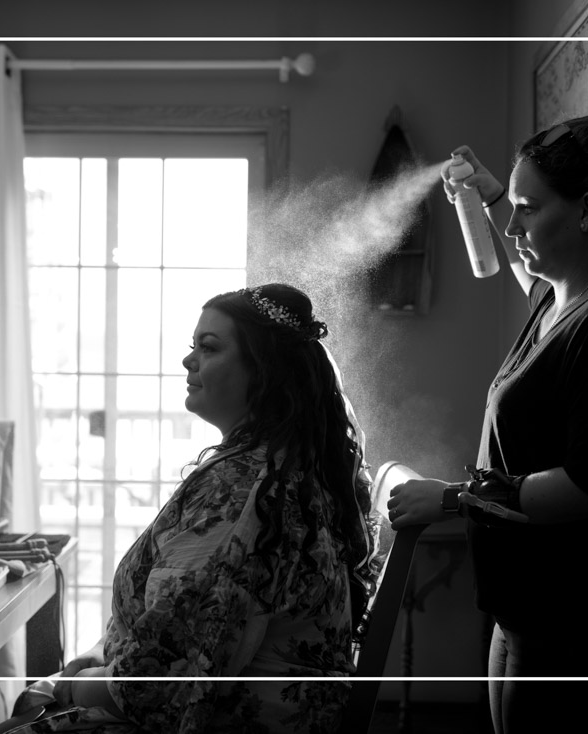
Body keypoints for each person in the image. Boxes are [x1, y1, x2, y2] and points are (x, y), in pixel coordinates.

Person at [385, 115, 588, 733]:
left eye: (527, 210)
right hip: (521, 612)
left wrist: (454, 499)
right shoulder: (558, 299)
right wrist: (492, 193)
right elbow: (523, 268)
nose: (513, 227)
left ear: (587, 210)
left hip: (571, 630)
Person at [19, 284, 379, 732]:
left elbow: (158, 687)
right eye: (194, 346)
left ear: (265, 372)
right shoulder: (278, 469)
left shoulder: (244, 494)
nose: (189, 360)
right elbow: (174, 633)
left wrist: (69, 686)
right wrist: (98, 656)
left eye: (209, 347)